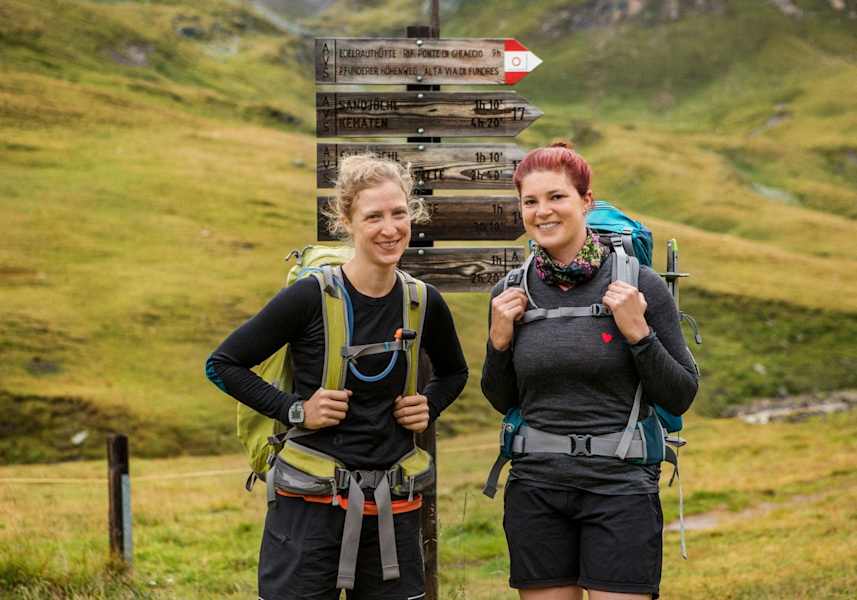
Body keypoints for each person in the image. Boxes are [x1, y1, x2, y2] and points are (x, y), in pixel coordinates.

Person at [206, 154, 468, 600]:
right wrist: (295, 409)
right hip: (309, 509)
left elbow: (455, 372)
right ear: (347, 220)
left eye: (399, 213)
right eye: (374, 216)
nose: (390, 228)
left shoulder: (424, 302)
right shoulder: (308, 298)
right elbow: (222, 365)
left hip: (393, 506)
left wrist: (429, 404)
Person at [481, 141, 698, 600]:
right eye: (530, 201)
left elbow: (680, 394)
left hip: (620, 488)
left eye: (557, 197)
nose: (543, 212)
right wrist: (499, 340)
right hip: (535, 488)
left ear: (585, 201)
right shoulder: (510, 290)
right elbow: (503, 399)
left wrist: (639, 333)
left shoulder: (639, 283)